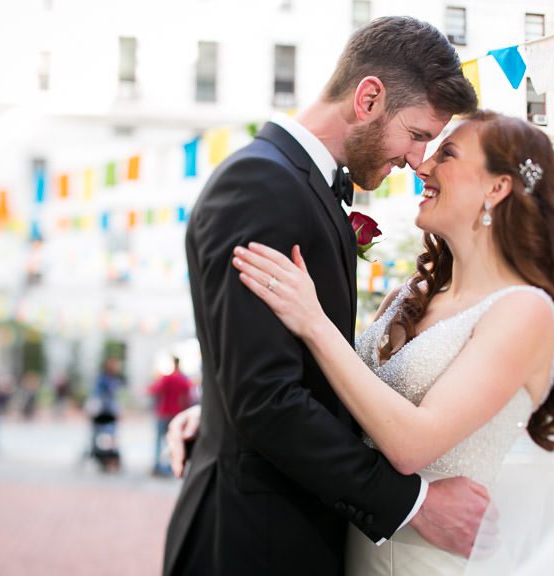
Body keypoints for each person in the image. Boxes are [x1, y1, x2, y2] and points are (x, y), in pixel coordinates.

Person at [163, 16, 486, 576]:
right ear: (368, 98)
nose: (417, 160)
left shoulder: (293, 182)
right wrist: (413, 505)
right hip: (253, 543)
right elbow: (264, 398)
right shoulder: (262, 186)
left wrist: (214, 405)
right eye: (416, 134)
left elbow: (262, 371)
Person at [229, 110, 554, 574]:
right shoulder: (414, 296)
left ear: (497, 188)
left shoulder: (525, 312)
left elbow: (410, 444)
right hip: (357, 549)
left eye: (447, 153)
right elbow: (336, 398)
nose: (422, 165)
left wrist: (313, 321)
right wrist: (222, 413)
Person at [148, 357, 194, 476]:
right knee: (174, 441)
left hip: (164, 413)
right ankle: (172, 466)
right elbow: (189, 396)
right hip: (177, 414)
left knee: (159, 441)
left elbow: (154, 390)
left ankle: (158, 465)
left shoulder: (167, 378)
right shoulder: (184, 380)